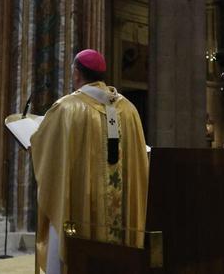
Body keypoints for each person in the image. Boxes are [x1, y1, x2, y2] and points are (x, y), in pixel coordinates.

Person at [31, 49, 148, 274]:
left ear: (76, 73)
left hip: (80, 206)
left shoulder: (66, 108)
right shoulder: (130, 110)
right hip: (122, 218)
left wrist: (34, 145)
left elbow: (45, 150)